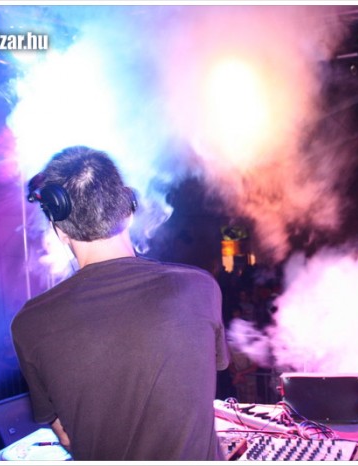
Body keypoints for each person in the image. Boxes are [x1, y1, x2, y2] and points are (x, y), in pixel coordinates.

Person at [11, 146, 229, 461]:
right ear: (129, 211)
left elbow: (65, 434)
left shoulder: (30, 324)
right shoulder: (199, 288)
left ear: (60, 230)